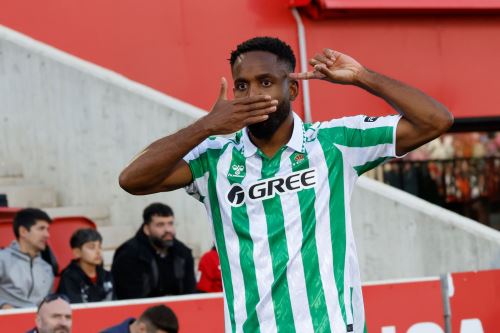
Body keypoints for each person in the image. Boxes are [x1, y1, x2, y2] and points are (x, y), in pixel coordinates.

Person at [118, 37, 453, 332]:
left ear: (291, 89)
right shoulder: (214, 158)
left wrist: (362, 77)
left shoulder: (333, 143)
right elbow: (132, 179)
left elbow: (436, 120)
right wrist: (206, 125)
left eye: (265, 82)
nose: (252, 94)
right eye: (242, 85)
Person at [111, 203, 196, 299]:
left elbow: (190, 293)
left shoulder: (183, 253)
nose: (168, 229)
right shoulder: (128, 255)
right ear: (147, 229)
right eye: (160, 225)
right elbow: (128, 298)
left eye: (170, 223)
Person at [0, 208, 54, 309]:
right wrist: (2, 305)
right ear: (23, 231)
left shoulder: (46, 268)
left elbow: (49, 302)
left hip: (38, 322)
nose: (47, 235)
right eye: (41, 229)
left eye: (47, 229)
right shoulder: (2, 259)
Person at [57, 228, 114, 303]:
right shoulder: (69, 278)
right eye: (91, 247)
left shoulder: (107, 276)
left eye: (99, 247)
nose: (98, 252)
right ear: (77, 252)